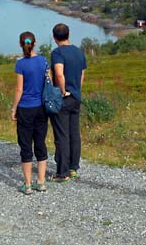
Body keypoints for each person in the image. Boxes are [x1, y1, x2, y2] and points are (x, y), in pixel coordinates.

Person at [12, 31, 49, 194]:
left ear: (21, 44)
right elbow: (49, 81)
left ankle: (27, 184)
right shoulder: (43, 61)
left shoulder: (20, 64)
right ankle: (40, 182)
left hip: (25, 109)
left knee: (26, 145)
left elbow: (19, 89)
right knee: (40, 143)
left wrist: (14, 108)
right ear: (35, 43)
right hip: (41, 108)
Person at [49, 23, 87, 182]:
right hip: (76, 97)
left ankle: (62, 173)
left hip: (63, 98)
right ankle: (73, 168)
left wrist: (63, 91)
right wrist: (77, 90)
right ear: (68, 34)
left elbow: (59, 74)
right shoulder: (79, 52)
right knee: (74, 134)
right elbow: (82, 74)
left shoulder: (57, 53)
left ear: (54, 37)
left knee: (62, 135)